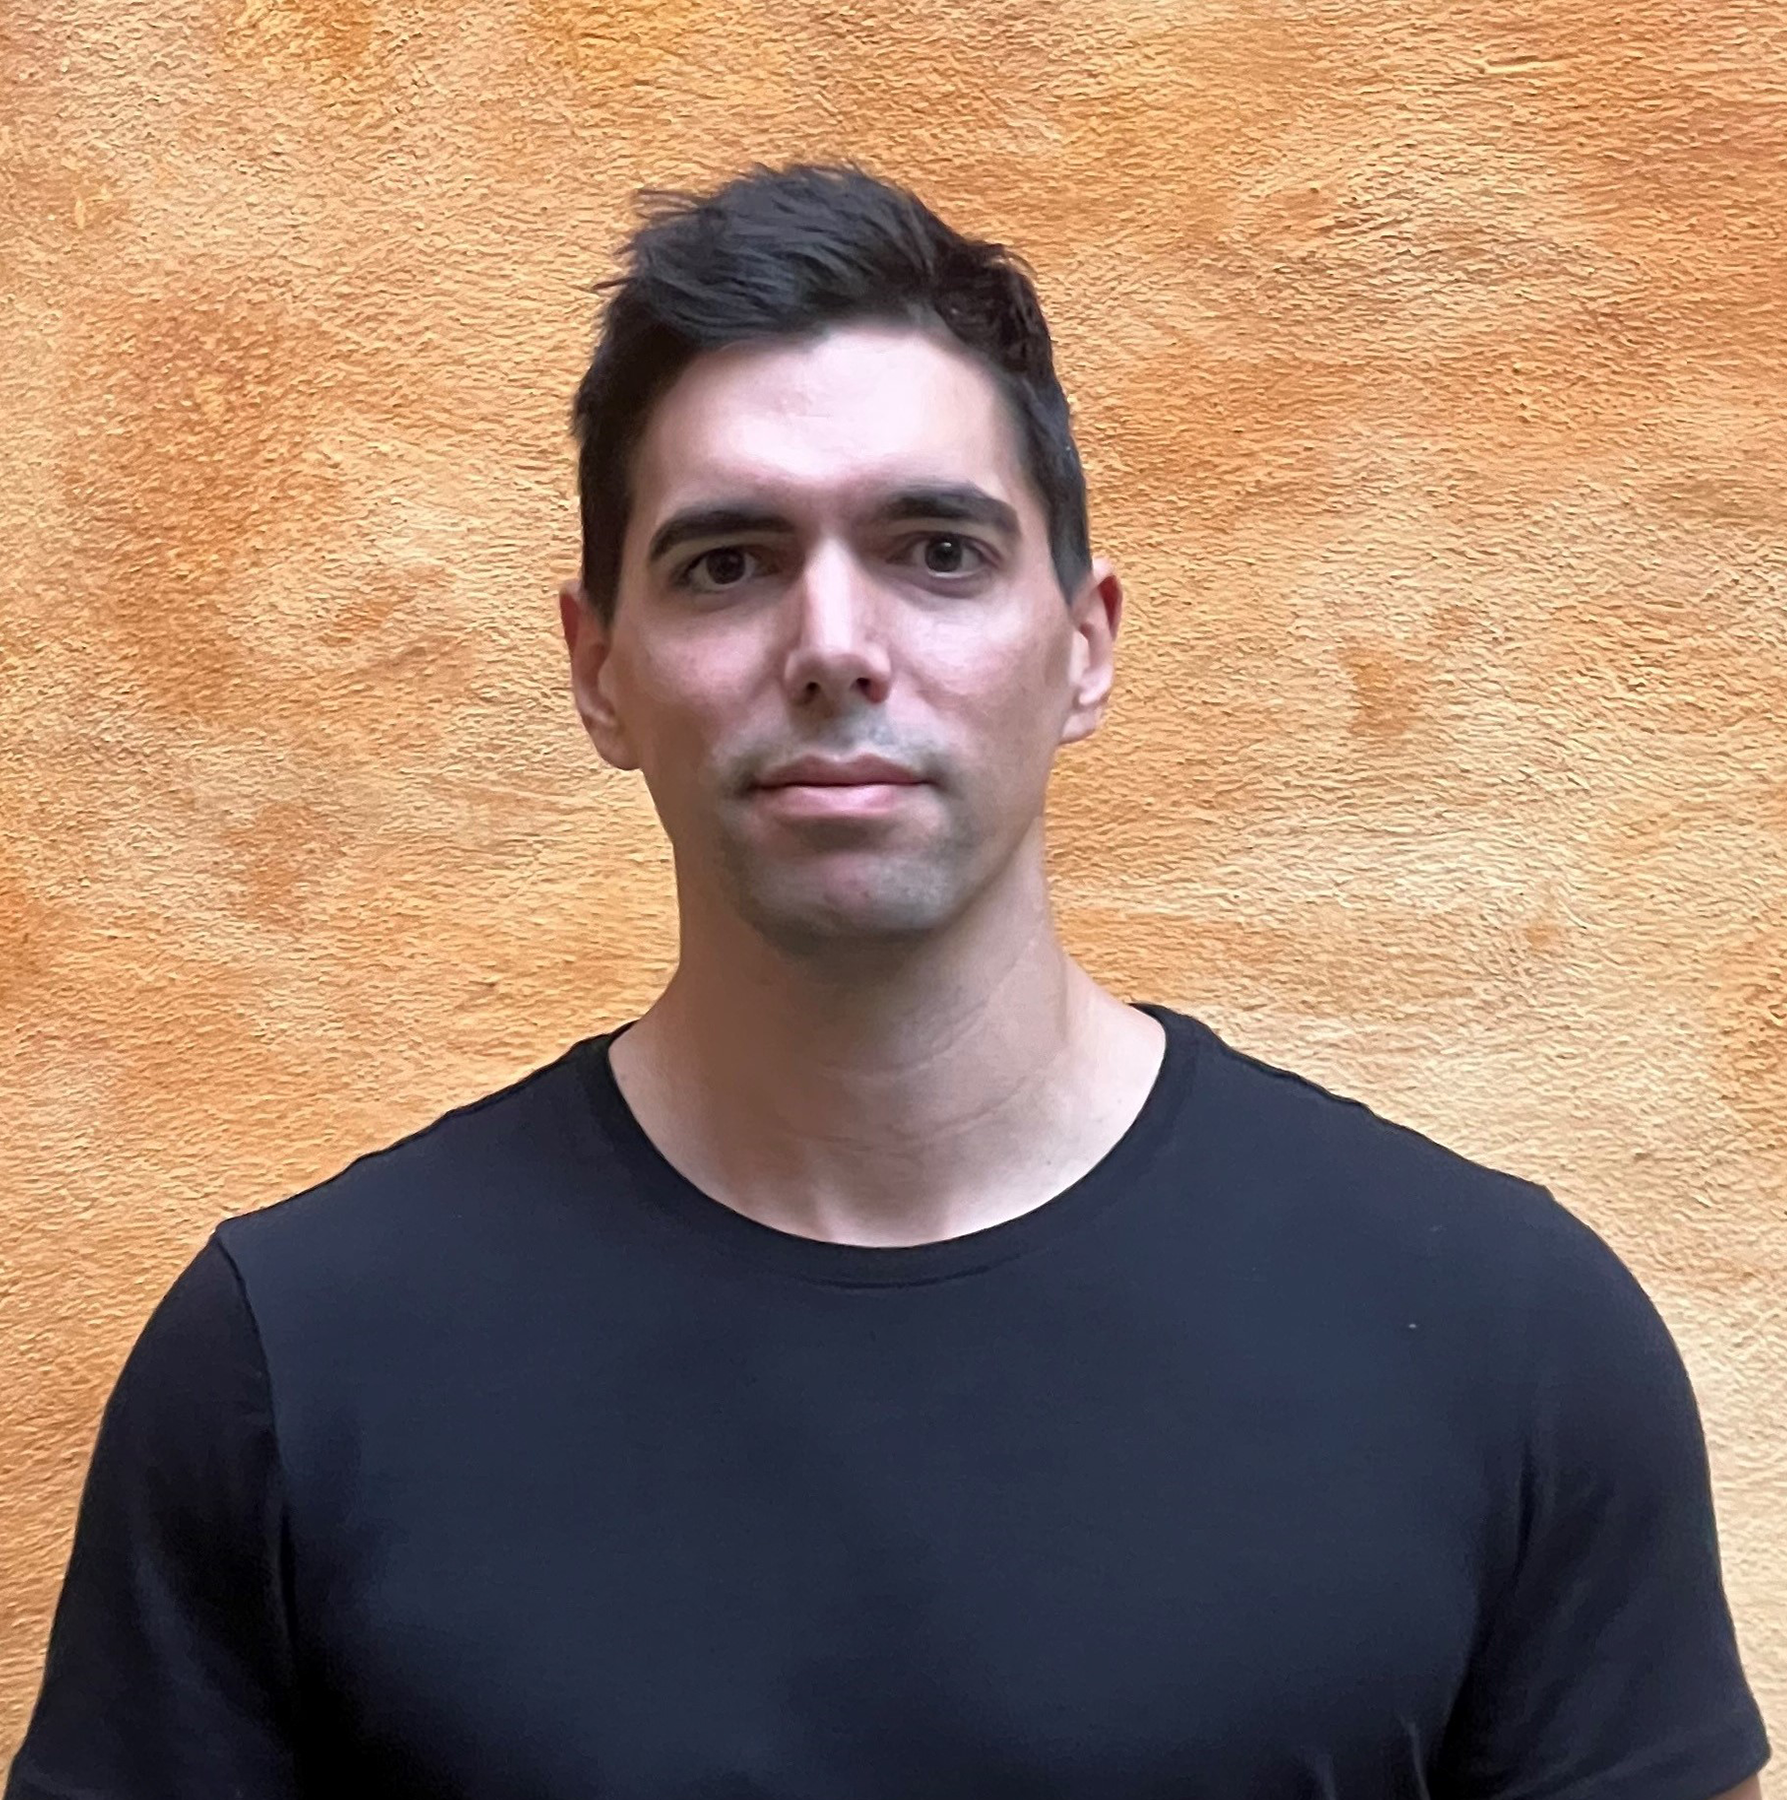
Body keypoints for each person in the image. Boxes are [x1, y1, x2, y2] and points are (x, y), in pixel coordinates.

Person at [5, 159, 1770, 1800]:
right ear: (599, 668)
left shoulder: (1507, 1346)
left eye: (937, 551)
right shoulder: (293, 1365)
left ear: (1083, 645)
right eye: (728, 562)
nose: (834, 646)